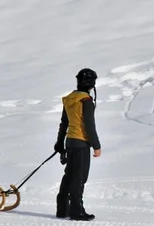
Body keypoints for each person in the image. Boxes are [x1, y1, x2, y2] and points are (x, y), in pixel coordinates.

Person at [54, 68, 102, 221]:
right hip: (81, 143)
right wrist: (96, 145)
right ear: (92, 84)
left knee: (69, 175)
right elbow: (89, 125)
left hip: (70, 141)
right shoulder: (86, 100)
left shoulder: (69, 98)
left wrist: (59, 143)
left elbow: (64, 123)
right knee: (79, 177)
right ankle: (76, 210)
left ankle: (62, 208)